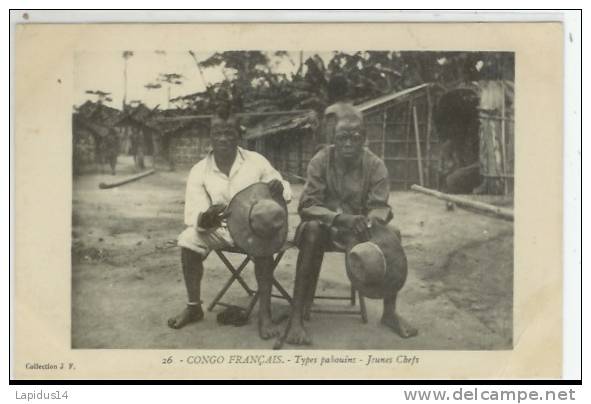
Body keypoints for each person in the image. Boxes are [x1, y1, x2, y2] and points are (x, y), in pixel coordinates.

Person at [284, 105, 417, 345]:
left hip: (360, 231)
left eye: (355, 138)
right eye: (342, 138)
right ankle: (295, 319)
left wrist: (370, 221)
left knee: (393, 234)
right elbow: (307, 205)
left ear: (364, 139)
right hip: (324, 228)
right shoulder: (321, 160)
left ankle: (389, 313)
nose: (348, 144)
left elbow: (380, 205)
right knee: (312, 231)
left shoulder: (375, 165)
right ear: (333, 139)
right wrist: (339, 219)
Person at [168, 112, 291, 340]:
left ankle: (265, 314)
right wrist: (205, 218)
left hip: (255, 228)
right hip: (221, 229)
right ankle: (194, 306)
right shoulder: (199, 170)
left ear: (239, 136)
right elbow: (194, 213)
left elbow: (282, 184)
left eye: (229, 133)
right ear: (210, 137)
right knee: (187, 240)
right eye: (218, 133)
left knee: (264, 242)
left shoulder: (256, 161)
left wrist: (278, 187)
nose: (223, 138)